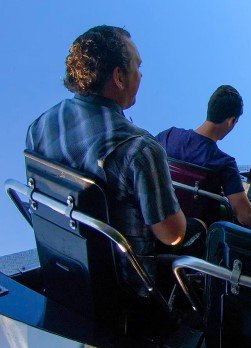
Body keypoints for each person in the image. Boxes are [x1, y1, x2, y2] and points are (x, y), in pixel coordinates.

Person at [25, 26, 191, 291]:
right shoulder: (141, 148)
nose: (141, 73)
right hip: (130, 292)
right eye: (137, 65)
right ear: (119, 77)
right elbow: (172, 236)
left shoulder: (38, 128)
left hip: (67, 275)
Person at [156, 85, 251, 227]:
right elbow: (246, 217)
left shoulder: (168, 135)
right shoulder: (225, 163)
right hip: (197, 237)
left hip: (156, 224)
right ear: (231, 121)